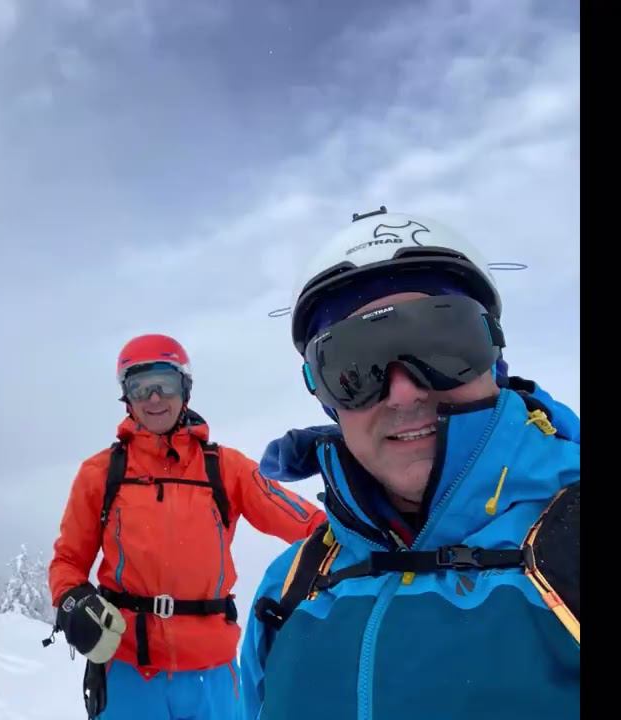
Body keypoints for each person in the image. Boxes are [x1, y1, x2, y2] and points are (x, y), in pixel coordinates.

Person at [238, 207, 580, 720]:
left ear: (493, 355)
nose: (402, 393)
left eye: (440, 345)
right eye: (354, 367)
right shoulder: (290, 589)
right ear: (327, 401)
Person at [46, 333, 327, 720]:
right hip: (128, 671)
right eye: (140, 387)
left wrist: (361, 535)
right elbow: (67, 562)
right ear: (126, 396)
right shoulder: (101, 473)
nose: (154, 398)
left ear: (185, 388)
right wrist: (72, 599)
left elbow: (311, 526)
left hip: (211, 675)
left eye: (165, 383)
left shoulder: (226, 468)